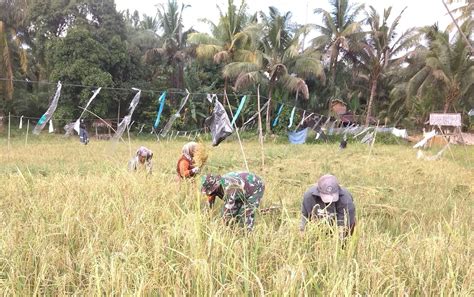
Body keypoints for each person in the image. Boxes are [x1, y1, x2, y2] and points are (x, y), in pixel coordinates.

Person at [201, 172, 265, 231]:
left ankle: (248, 235)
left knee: (245, 213)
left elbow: (226, 212)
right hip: (240, 191)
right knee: (234, 214)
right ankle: (234, 231)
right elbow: (208, 206)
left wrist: (219, 229)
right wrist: (205, 220)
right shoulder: (214, 188)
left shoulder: (230, 188)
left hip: (255, 187)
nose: (210, 193)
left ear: (216, 186)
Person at [300, 174, 355, 239]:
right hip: (317, 226)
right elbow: (305, 216)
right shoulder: (309, 197)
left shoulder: (345, 199)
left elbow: (346, 223)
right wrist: (302, 231)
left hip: (337, 227)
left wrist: (339, 240)